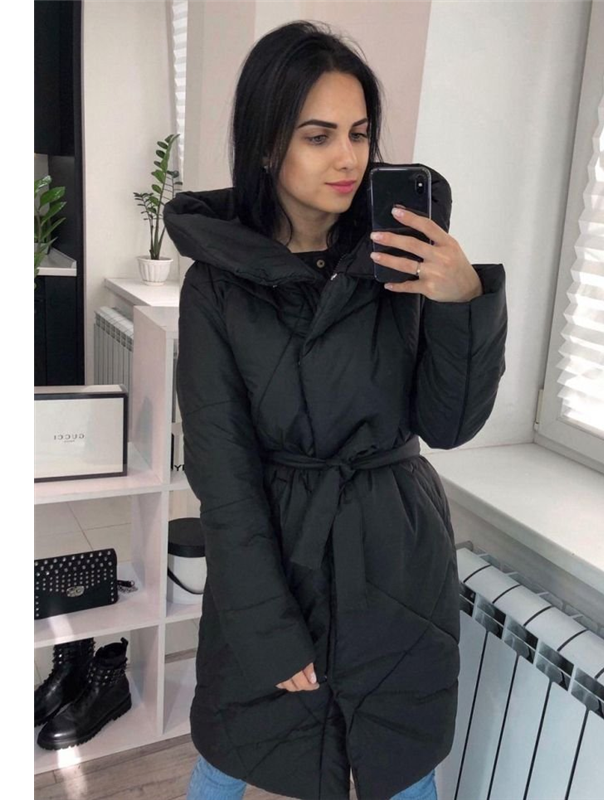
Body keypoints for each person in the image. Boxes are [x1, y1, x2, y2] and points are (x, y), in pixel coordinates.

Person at [164, 19, 508, 800]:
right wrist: (265, 623)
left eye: (358, 133)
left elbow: (450, 426)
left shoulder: (400, 258)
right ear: (266, 145)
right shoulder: (216, 284)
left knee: (401, 768)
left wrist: (464, 303)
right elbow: (222, 473)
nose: (348, 158)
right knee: (229, 755)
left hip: (395, 554)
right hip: (276, 550)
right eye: (317, 136)